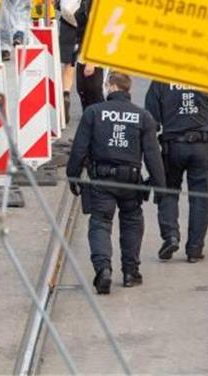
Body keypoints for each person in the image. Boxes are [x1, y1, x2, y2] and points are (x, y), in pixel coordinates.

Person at [66, 72, 166, 294]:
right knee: (131, 221)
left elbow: (79, 148)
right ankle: (130, 272)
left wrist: (73, 175)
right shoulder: (143, 116)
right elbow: (152, 154)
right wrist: (160, 185)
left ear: (110, 87)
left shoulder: (94, 113)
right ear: (128, 89)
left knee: (100, 223)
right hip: (131, 181)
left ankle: (103, 269)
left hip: (102, 180)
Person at [145, 80, 208, 263]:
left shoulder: (160, 80)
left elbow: (151, 121)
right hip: (201, 147)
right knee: (200, 196)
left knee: (168, 191)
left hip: (172, 146)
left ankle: (170, 236)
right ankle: (195, 248)